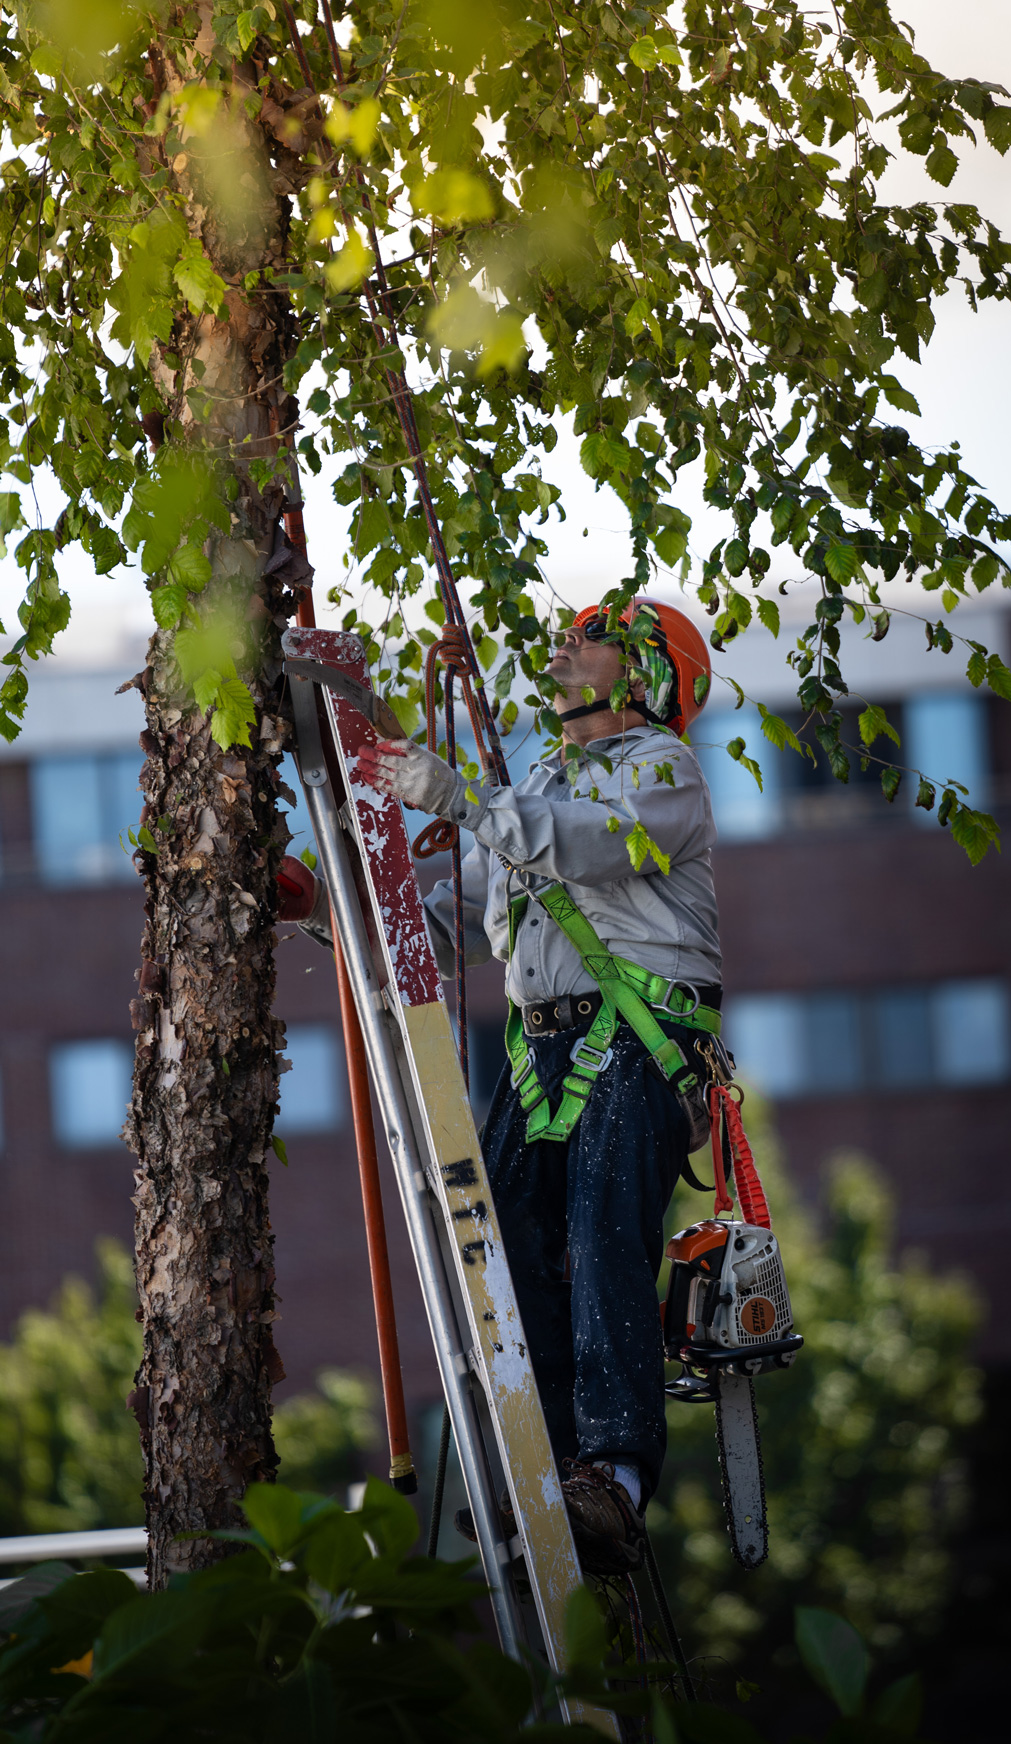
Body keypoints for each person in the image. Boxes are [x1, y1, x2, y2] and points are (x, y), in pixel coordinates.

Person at [278, 600, 722, 1574]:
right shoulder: (538, 780)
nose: (562, 646)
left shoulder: (663, 771)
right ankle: (551, 1469)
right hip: (545, 1051)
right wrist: (323, 908)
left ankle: (616, 1478)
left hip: (636, 1040)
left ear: (643, 673)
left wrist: (463, 799)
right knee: (512, 1249)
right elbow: (459, 917)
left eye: (590, 636)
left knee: (604, 1235)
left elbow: (592, 846)